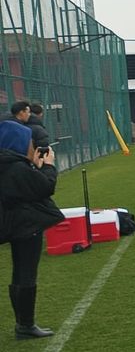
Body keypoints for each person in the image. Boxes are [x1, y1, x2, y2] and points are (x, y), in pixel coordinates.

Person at [0, 121, 64, 339]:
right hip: (26, 224)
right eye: (28, 141)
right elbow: (45, 187)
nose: (31, 145)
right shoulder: (16, 167)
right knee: (26, 272)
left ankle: (23, 323)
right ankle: (25, 325)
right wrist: (48, 166)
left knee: (19, 271)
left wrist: (34, 166)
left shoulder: (10, 164)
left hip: (14, 223)